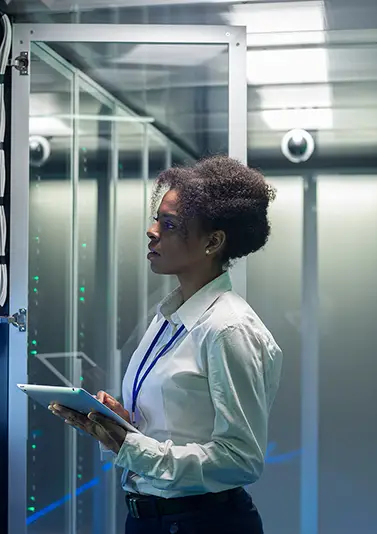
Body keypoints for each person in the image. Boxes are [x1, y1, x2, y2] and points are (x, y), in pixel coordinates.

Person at [52, 156, 282, 534]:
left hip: (204, 523)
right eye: (157, 218)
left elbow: (241, 460)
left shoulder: (229, 328)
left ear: (213, 241)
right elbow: (175, 428)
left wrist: (133, 448)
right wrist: (119, 426)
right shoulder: (169, 316)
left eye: (169, 224)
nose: (152, 230)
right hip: (151, 519)